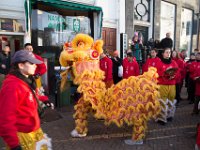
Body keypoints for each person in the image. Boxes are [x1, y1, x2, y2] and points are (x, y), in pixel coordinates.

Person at [0, 50, 52, 150]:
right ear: (21, 65)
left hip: (35, 132)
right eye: (31, 63)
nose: (35, 66)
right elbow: (5, 118)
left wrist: (44, 99)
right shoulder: (12, 86)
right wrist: (14, 144)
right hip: (23, 136)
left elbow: (31, 95)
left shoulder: (26, 80)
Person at [155, 48, 178, 125]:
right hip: (162, 85)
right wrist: (166, 74)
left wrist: (173, 76)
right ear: (163, 54)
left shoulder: (174, 63)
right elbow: (156, 74)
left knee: (171, 100)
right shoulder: (159, 63)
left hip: (172, 84)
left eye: (169, 52)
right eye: (167, 52)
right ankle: (161, 118)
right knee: (162, 101)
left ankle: (169, 115)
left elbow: (178, 73)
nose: (168, 54)